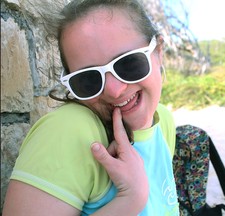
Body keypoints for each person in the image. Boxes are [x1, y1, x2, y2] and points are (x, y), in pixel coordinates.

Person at [3, 0, 179, 215]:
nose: (114, 90)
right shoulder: (69, 131)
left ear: (159, 52)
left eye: (128, 63)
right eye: (88, 79)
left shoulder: (164, 121)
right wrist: (131, 199)